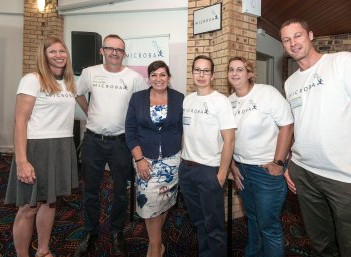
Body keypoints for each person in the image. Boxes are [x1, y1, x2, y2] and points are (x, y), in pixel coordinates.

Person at [280, 19, 351, 257]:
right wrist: (290, 162)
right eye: (286, 40)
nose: (293, 43)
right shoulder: (291, 83)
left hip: (346, 179)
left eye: (297, 36)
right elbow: (301, 126)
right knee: (321, 245)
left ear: (310, 35)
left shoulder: (342, 62)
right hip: (305, 174)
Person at [74, 34, 147, 257]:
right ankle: (90, 231)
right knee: (90, 190)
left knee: (120, 193)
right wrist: (90, 113)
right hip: (93, 142)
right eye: (110, 48)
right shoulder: (89, 73)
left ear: (124, 53)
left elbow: (141, 106)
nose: (115, 52)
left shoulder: (134, 78)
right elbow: (78, 94)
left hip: (121, 143)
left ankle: (117, 232)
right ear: (102, 51)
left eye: (119, 49)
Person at [5, 37, 78, 257]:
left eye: (62, 51)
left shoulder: (68, 81)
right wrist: (21, 160)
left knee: (50, 203)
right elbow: (20, 121)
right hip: (37, 148)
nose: (59, 55)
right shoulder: (32, 79)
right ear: (43, 55)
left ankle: (43, 250)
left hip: (63, 145)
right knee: (29, 208)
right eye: (53, 52)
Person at [227, 56, 294, 257]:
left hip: (266, 171)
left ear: (249, 74)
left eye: (240, 69)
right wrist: (231, 165)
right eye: (231, 69)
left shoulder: (267, 93)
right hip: (242, 170)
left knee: (268, 224)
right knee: (254, 219)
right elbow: (226, 138)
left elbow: (287, 125)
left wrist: (278, 162)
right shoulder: (228, 102)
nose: (235, 73)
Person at [179, 55, 236, 257]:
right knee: (198, 222)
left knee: (214, 226)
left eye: (205, 71)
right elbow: (186, 134)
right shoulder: (187, 100)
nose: (201, 75)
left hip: (209, 171)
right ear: (192, 73)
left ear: (212, 75)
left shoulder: (221, 102)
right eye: (197, 70)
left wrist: (221, 174)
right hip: (186, 169)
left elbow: (229, 140)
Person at [125, 60, 184, 257]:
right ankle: (156, 245)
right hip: (146, 160)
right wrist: (139, 159)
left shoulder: (179, 98)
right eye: (154, 75)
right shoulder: (137, 98)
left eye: (162, 75)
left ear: (169, 77)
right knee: (149, 203)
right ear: (148, 78)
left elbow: (183, 129)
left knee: (165, 201)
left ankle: (155, 245)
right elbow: (130, 131)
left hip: (171, 160)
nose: (158, 79)